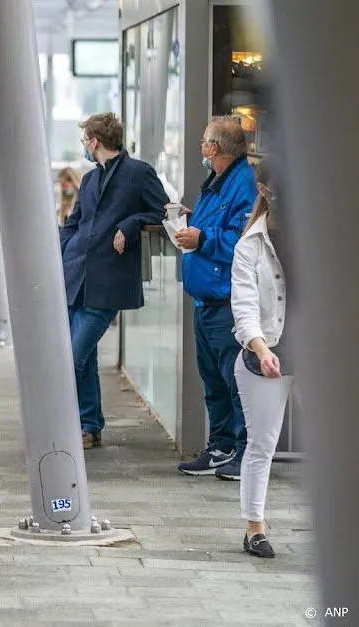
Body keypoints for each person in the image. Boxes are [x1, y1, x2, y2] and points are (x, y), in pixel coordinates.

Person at [60, 113, 167, 449]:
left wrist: (130, 223)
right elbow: (74, 224)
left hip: (107, 282)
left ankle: (62, 426)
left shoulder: (139, 173)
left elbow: (164, 211)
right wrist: (52, 257)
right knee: (84, 356)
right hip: (75, 277)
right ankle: (89, 426)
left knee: (72, 357)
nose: (84, 147)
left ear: (95, 141)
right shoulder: (90, 180)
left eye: (84, 141)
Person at [175, 116, 257, 479]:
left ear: (218, 148)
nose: (201, 147)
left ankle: (243, 452)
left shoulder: (243, 184)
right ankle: (221, 445)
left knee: (235, 379)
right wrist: (192, 222)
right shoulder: (216, 181)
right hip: (205, 300)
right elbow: (217, 225)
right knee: (214, 380)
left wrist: (202, 239)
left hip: (225, 302)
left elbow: (245, 240)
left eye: (205, 142)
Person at [230, 161, 291, 557]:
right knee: (262, 444)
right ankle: (255, 527)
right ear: (266, 191)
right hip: (266, 355)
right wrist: (261, 347)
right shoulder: (250, 245)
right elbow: (244, 306)